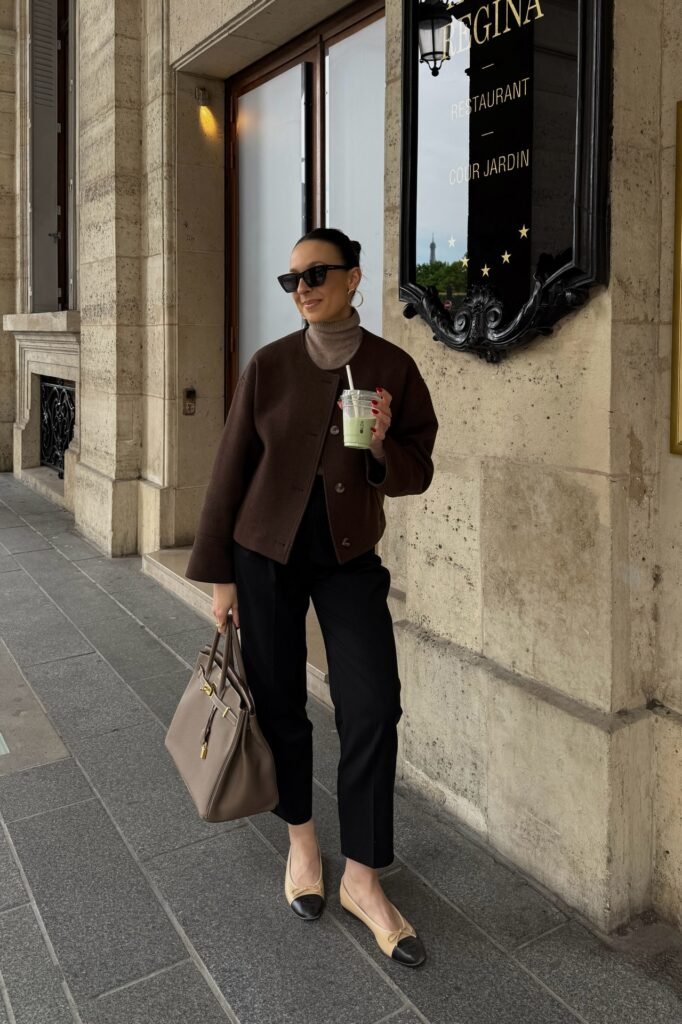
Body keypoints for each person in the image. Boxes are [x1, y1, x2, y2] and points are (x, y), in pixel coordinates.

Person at [185, 227, 438, 968]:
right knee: (279, 702)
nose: (302, 288)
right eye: (291, 279)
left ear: (354, 277)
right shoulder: (269, 366)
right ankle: (302, 843)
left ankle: (363, 875)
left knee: (372, 705)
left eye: (317, 273)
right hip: (263, 556)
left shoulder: (393, 366)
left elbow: (418, 468)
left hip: (349, 560)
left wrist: (384, 446)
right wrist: (221, 575)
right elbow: (230, 470)